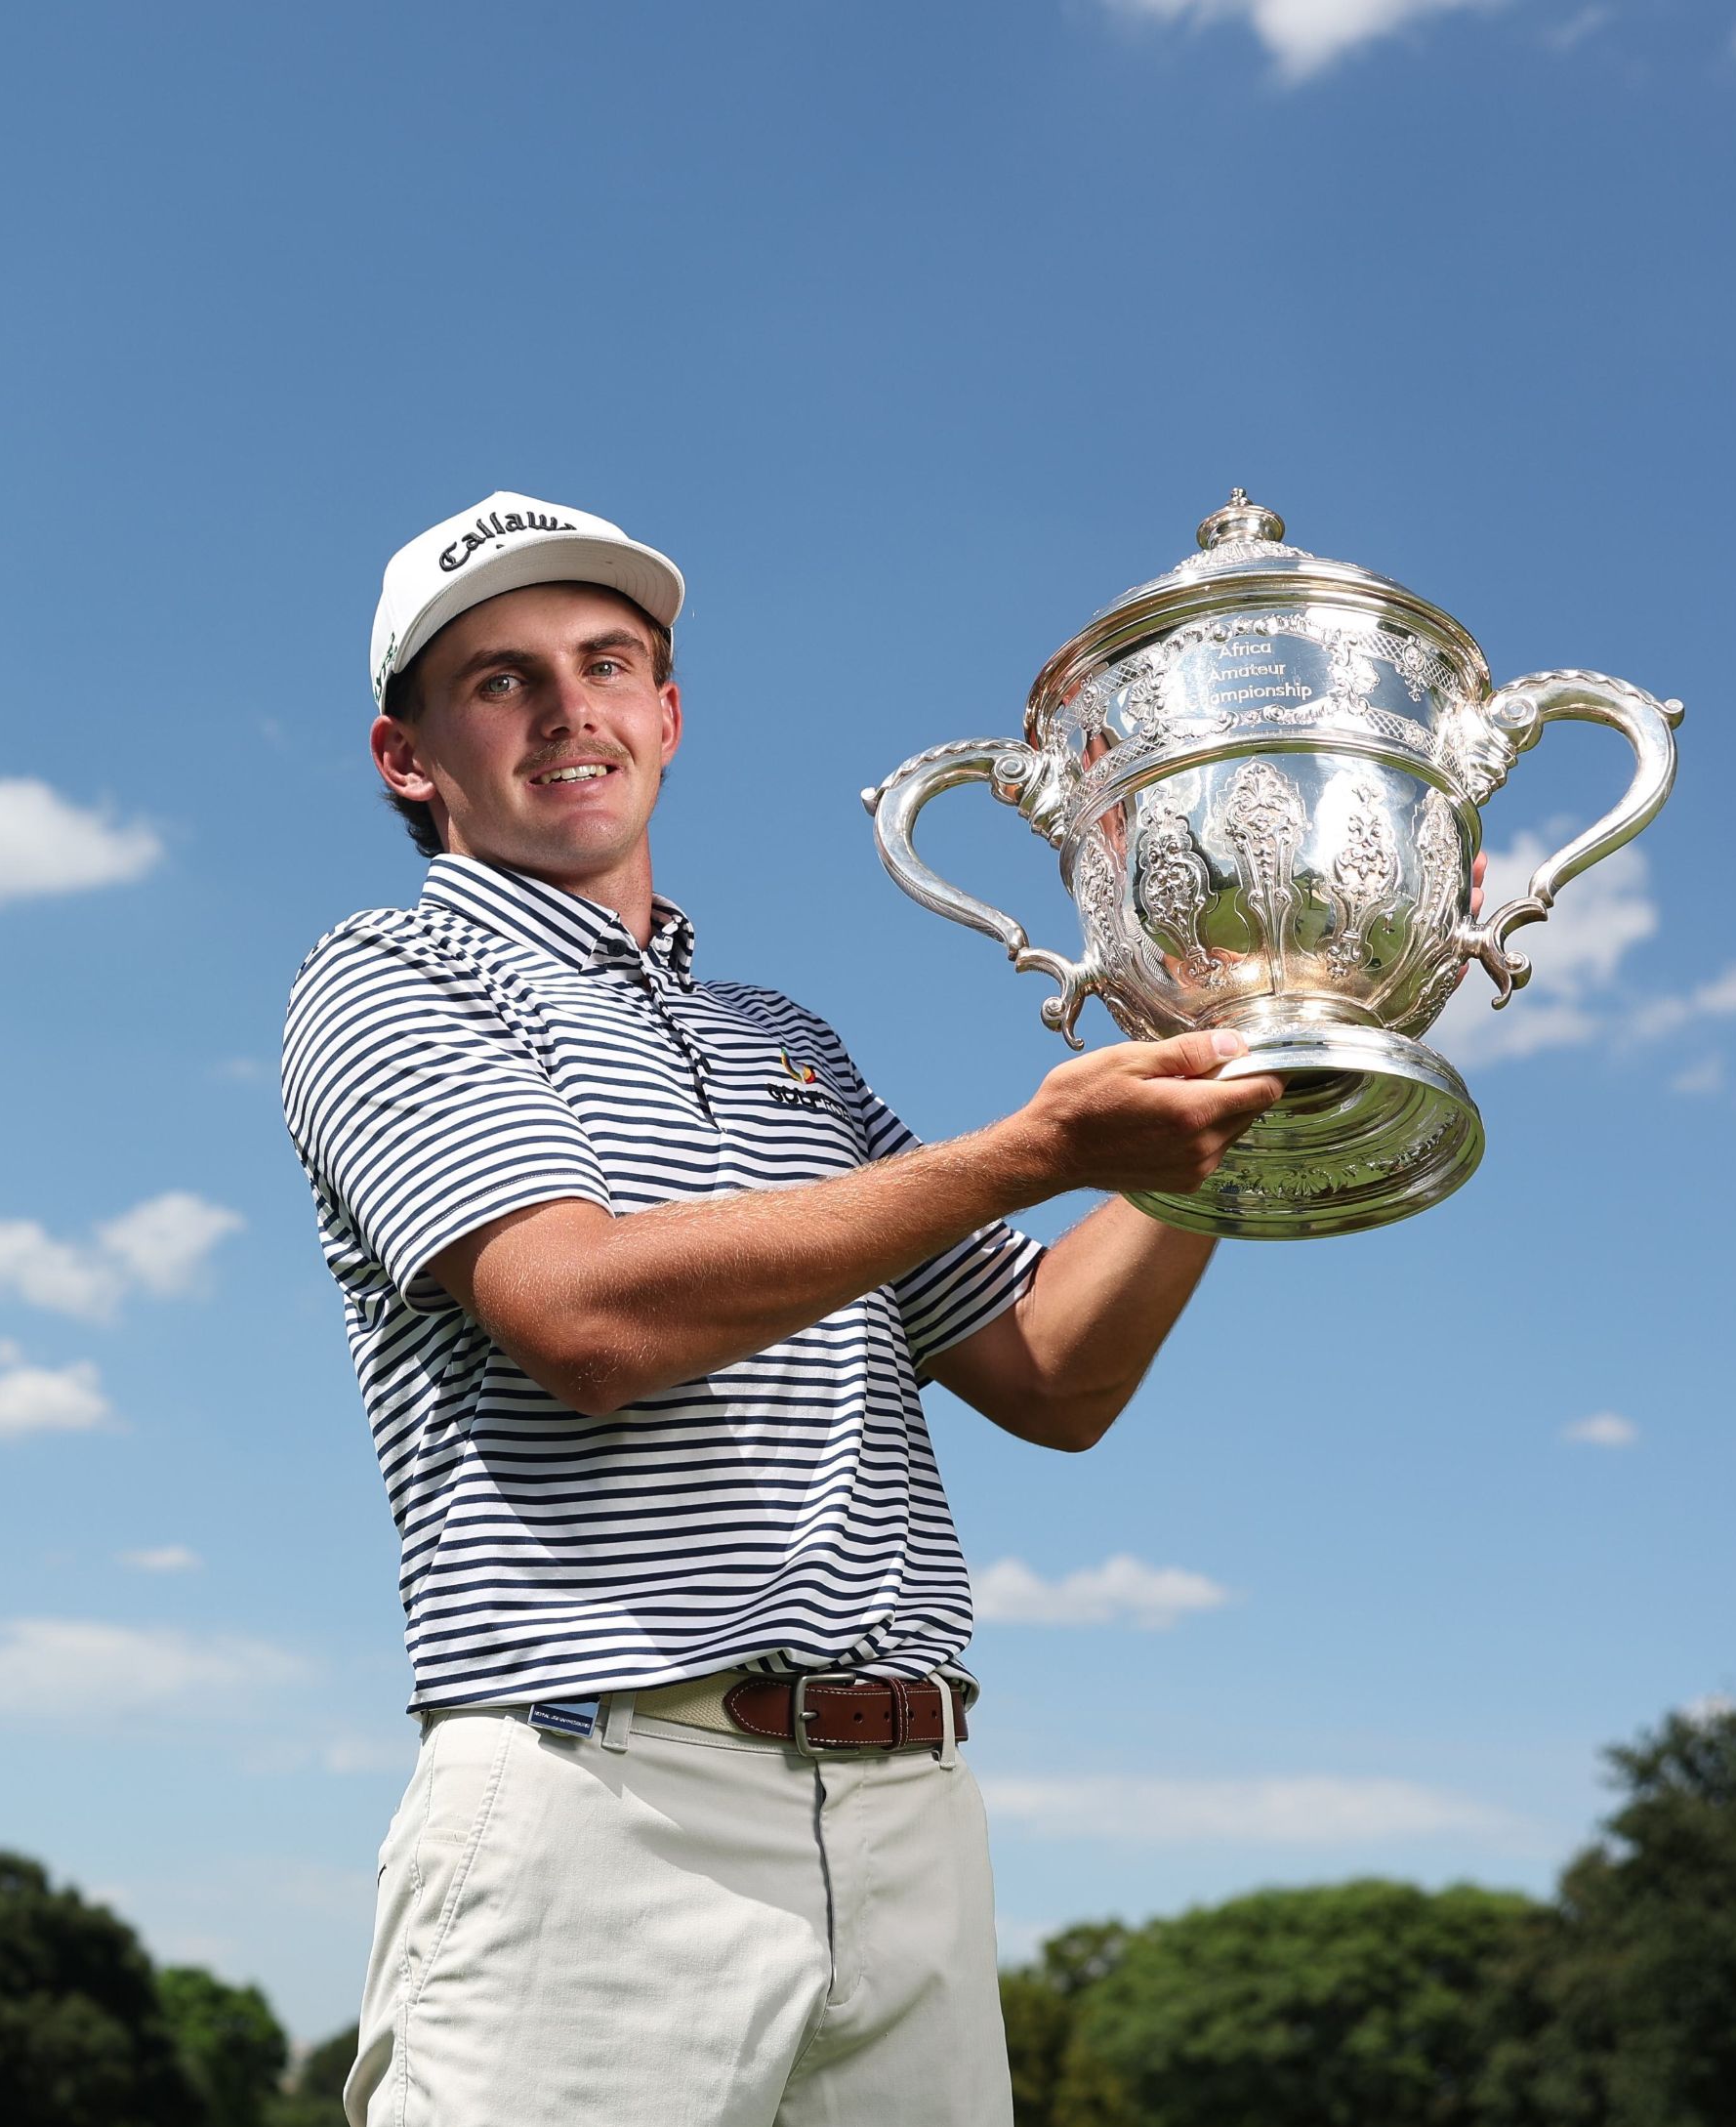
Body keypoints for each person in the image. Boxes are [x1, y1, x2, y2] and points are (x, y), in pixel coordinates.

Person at [277, 492, 1284, 2127]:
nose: (568, 709)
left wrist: (1245, 1094)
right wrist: (1030, 1152)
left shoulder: (783, 1040)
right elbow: (582, 1320)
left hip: (913, 1818)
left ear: (665, 714)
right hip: (607, 1801)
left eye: (607, 662)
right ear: (410, 756)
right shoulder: (389, 973)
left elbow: (1048, 1373)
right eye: (500, 679)